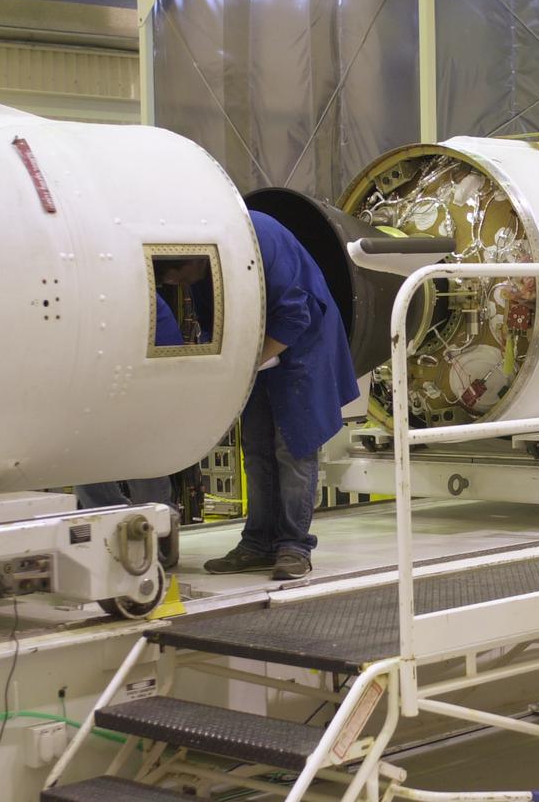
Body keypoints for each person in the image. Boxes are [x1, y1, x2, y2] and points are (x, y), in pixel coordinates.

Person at [186, 210, 359, 580]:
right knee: (257, 448)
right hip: (261, 351)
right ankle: (258, 543)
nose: (182, 284)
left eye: (179, 277)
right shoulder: (203, 255)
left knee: (293, 448)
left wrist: (245, 363)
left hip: (302, 347)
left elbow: (298, 315)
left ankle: (295, 547)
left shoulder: (252, 239)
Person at [74, 293, 184, 509]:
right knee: (84, 456)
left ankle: (157, 528)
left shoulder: (136, 296)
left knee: (140, 459)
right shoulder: (93, 299)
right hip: (104, 383)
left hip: (140, 384)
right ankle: (113, 518)